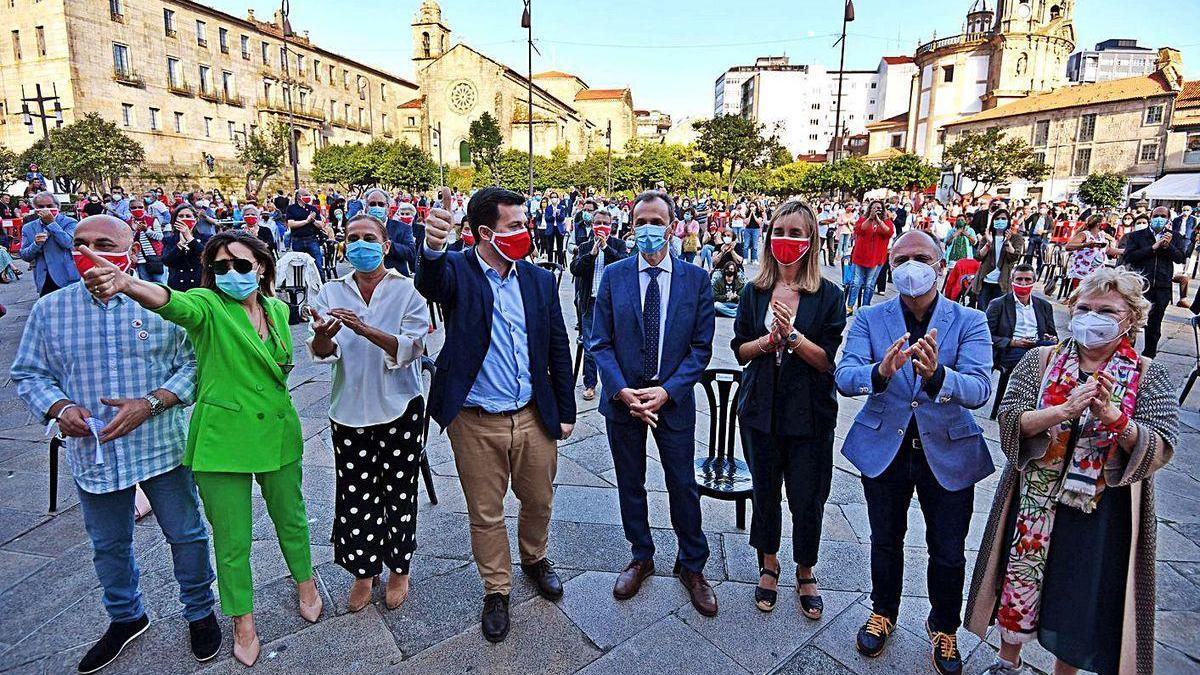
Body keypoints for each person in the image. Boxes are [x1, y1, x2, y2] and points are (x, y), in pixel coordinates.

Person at [78, 230, 321, 667]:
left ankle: (306, 583)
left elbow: (282, 364)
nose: (231, 274)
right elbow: (172, 302)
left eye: (241, 265)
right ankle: (242, 619)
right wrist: (129, 283)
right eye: (220, 267)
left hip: (279, 433)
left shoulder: (279, 310)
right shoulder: (208, 306)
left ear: (262, 267)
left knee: (293, 519)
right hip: (221, 441)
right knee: (232, 539)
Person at [11, 215, 220, 674]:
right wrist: (60, 407)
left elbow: (194, 365)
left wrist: (151, 402)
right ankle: (126, 616)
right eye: (79, 245)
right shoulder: (52, 310)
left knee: (186, 533)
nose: (89, 254)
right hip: (95, 451)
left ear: (130, 248)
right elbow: (28, 373)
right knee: (108, 543)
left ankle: (200, 610)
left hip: (161, 443)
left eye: (103, 244)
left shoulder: (162, 307)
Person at [965, 266, 1178, 675]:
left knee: (1081, 592)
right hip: (1034, 501)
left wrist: (1117, 420)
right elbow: (1010, 420)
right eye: (1085, 308)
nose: (1092, 317)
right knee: (1019, 575)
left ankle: (1067, 669)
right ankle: (1007, 661)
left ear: (1131, 319)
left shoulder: (1149, 374)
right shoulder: (1039, 361)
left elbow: (1162, 443)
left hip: (1101, 509)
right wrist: (1061, 412)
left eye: (1106, 310)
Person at [416, 187, 575, 643]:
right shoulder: (458, 272)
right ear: (485, 233)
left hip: (532, 416)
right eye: (514, 227)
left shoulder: (539, 281)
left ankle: (534, 557)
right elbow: (428, 282)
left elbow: (558, 348)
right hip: (474, 419)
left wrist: (565, 410)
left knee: (539, 500)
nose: (525, 233)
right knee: (485, 513)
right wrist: (431, 246)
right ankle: (497, 589)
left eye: (525, 224)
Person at [835, 230, 994, 675]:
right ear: (889, 264)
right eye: (901, 257)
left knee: (948, 548)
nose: (911, 265)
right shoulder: (870, 317)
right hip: (886, 448)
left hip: (947, 451)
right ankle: (883, 610)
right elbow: (845, 376)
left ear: (941, 265)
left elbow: (981, 388)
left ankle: (944, 625)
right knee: (885, 539)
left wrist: (939, 375)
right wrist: (879, 372)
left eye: (921, 257)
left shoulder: (970, 321)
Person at [589, 190, 718, 617]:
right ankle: (641, 554)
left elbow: (701, 349)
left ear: (673, 225)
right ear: (632, 226)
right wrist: (620, 389)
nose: (648, 229)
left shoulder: (696, 280)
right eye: (641, 221)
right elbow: (599, 341)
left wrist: (668, 391)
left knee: (682, 482)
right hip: (624, 399)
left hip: (672, 401)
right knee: (630, 480)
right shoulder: (614, 275)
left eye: (656, 220)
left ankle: (692, 564)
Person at [307, 213, 430, 613]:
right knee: (356, 494)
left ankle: (399, 566)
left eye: (369, 238)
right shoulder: (330, 291)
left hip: (399, 407)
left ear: (386, 245)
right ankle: (364, 570)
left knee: (399, 490)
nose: (361, 244)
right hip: (349, 410)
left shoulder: (408, 291)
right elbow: (323, 354)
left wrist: (363, 329)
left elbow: (413, 349)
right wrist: (324, 338)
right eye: (352, 238)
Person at [730, 200, 845, 616]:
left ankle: (806, 567)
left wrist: (792, 338)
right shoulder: (754, 290)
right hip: (760, 408)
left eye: (797, 233)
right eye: (781, 231)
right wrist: (768, 342)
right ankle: (768, 561)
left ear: (811, 240)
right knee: (765, 490)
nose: (787, 240)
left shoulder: (828, 295)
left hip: (809, 414)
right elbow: (740, 349)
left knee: (807, 495)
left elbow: (829, 359)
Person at [569, 207, 628, 401]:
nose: (601, 227)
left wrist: (606, 249)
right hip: (590, 303)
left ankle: (615, 385)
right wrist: (592, 254)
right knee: (590, 345)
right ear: (591, 225)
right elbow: (575, 269)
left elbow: (625, 265)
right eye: (597, 223)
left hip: (613, 304)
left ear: (612, 226)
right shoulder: (585, 246)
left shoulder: (618, 244)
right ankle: (590, 383)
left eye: (605, 223)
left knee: (616, 344)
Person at [1123, 206, 1187, 357]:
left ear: (1168, 219)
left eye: (1163, 216)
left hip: (1162, 287)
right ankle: (1126, 355)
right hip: (1140, 286)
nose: (1159, 219)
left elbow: (1180, 258)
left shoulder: (1175, 236)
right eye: (1156, 215)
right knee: (1131, 322)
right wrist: (1153, 247)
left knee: (1154, 325)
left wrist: (1168, 246)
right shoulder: (1137, 236)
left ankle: (1148, 357)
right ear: (1151, 217)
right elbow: (1129, 256)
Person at [986, 264, 1058, 371]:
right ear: (1012, 281)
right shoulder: (998, 304)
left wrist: (1051, 338)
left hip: (1037, 346)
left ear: (1033, 281)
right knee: (1032, 360)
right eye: (1019, 279)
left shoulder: (1044, 306)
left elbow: (1053, 335)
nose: (1023, 283)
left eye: (1027, 279)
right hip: (1011, 349)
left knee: (1057, 355)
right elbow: (986, 335)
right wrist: (1013, 342)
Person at [20, 191, 79, 296]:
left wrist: (52, 223)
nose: (45, 209)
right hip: (43, 279)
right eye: (41, 206)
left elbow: (69, 243)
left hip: (67, 277)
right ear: (35, 208)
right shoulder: (28, 227)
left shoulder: (70, 222)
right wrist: (36, 244)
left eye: (49, 206)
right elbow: (25, 255)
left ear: (57, 206)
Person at [972, 208, 1024, 312]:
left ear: (1008, 221)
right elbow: (978, 256)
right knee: (982, 311)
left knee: (997, 313)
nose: (1000, 221)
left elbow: (1014, 257)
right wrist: (988, 244)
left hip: (1002, 282)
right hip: (985, 281)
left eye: (1003, 218)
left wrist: (1007, 242)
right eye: (997, 218)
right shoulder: (987, 237)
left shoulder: (1016, 238)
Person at [846, 200, 894, 314]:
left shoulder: (887, 222)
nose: (876, 210)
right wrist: (870, 218)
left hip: (876, 258)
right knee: (855, 283)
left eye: (878, 208)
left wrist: (878, 220)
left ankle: (865, 308)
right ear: (870, 209)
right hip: (860, 257)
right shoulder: (863, 219)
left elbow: (889, 232)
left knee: (869, 285)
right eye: (874, 207)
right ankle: (850, 306)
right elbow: (859, 229)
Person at [286, 188, 334, 281]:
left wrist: (313, 220)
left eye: (308, 195)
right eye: (306, 195)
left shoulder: (313, 209)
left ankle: (322, 286)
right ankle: (301, 288)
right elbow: (291, 224)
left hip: (312, 240)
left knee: (318, 265)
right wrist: (306, 221)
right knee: (299, 267)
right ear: (299, 197)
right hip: (297, 241)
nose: (308, 196)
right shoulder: (291, 209)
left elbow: (321, 225)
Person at [162, 205, 209, 292]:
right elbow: (167, 261)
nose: (184, 219)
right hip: (177, 286)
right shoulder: (169, 240)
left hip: (199, 285)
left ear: (195, 219)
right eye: (180, 216)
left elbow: (207, 256)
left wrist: (190, 238)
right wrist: (179, 245)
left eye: (188, 216)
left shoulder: (206, 238)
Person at [1065, 215, 1116, 291]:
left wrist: (1124, 251)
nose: (1106, 224)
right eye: (1104, 222)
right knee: (1078, 291)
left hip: (1096, 269)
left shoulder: (1101, 235)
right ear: (1099, 224)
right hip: (1082, 269)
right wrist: (1085, 245)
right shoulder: (1084, 234)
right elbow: (1068, 246)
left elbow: (1107, 250)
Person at [1023, 203, 1052, 273]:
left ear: (1047, 209)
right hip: (1033, 236)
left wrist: (1044, 231)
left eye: (1044, 208)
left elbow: (1052, 229)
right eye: (1041, 207)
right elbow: (1026, 222)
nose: (1042, 209)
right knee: (1029, 253)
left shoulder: (1049, 218)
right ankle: (1028, 267)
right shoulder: (1034, 216)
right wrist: (1027, 230)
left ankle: (1039, 269)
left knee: (1040, 253)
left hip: (1043, 237)